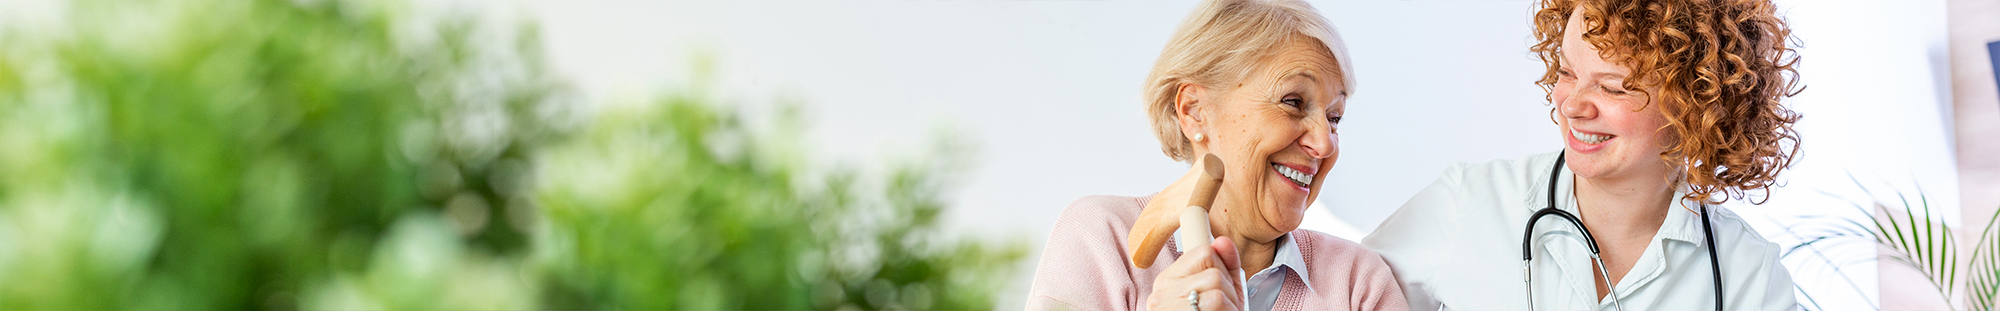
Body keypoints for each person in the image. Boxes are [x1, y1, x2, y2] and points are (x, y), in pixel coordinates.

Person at [1362, 0, 1804, 310]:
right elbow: (1328, 292)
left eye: (1611, 87)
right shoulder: (1470, 203)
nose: (1572, 105)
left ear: (1696, 105)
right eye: (1568, 73)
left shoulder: (1748, 275)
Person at [1024, 0, 1406, 310]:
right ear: (1193, 111)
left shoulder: (1358, 283)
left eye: (1334, 117)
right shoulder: (1103, 239)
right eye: (1293, 102)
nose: (1324, 145)